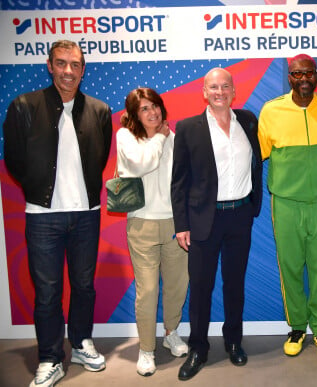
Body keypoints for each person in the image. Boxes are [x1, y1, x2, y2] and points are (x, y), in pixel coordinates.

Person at [3, 40, 112, 387]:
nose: (68, 71)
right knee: (47, 291)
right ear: (49, 65)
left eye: (75, 65)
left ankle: (80, 343)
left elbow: (101, 156)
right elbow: (15, 161)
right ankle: (51, 357)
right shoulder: (23, 106)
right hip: (42, 216)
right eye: (61, 63)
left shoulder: (99, 110)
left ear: (83, 69)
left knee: (84, 286)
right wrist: (37, 188)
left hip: (87, 215)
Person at [171, 67, 262, 381]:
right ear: (204, 92)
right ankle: (199, 348)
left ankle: (233, 341)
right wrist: (182, 224)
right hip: (202, 219)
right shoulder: (187, 128)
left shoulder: (248, 121)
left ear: (234, 90)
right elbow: (178, 181)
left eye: (225, 86)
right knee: (201, 288)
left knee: (234, 286)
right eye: (213, 87)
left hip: (240, 216)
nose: (220, 91)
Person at [258, 54, 317, 361]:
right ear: (289, 77)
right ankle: (296, 327)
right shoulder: (271, 110)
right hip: (286, 203)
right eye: (297, 74)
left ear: (315, 76)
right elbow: (258, 156)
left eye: (309, 73)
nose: (304, 78)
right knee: (290, 267)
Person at [116, 87, 189, 377]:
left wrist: (165, 136)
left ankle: (171, 333)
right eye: (144, 108)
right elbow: (140, 164)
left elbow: (182, 177)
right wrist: (159, 136)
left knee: (177, 285)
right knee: (147, 292)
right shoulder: (126, 136)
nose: (152, 112)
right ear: (134, 114)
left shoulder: (175, 137)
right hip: (142, 224)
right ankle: (146, 349)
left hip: (174, 223)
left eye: (155, 106)